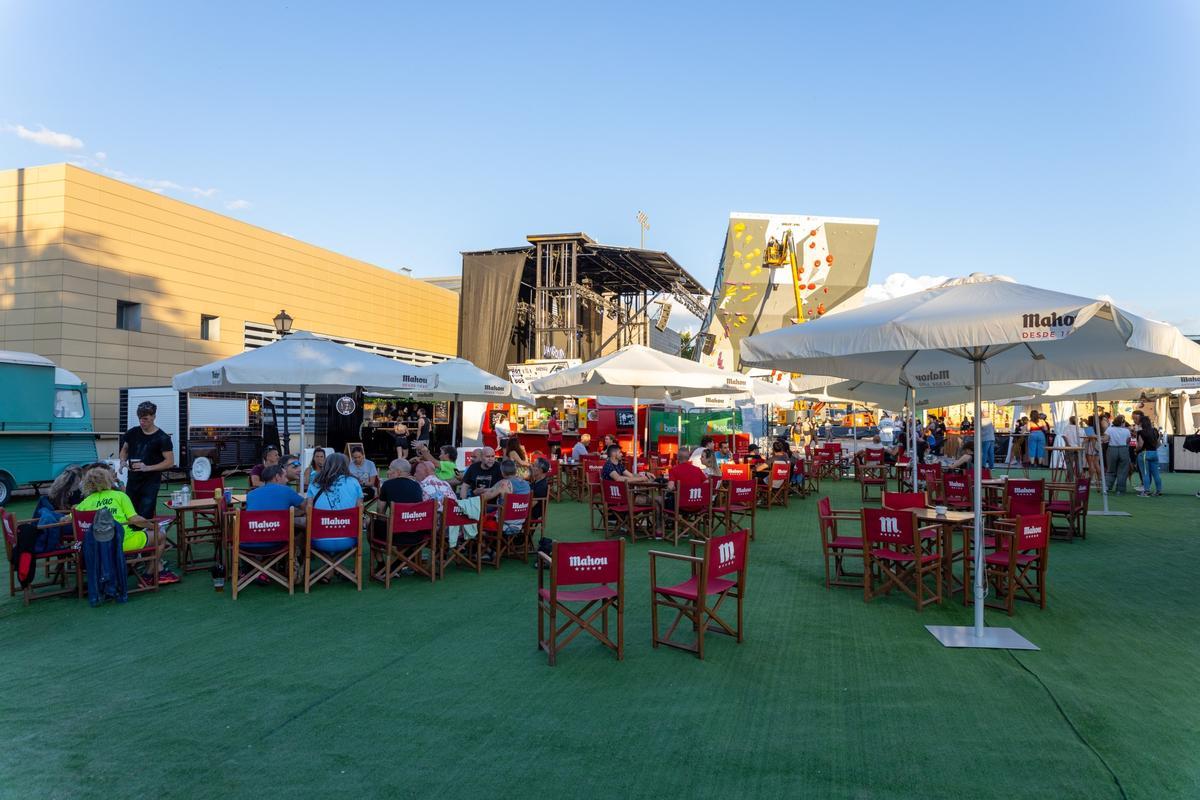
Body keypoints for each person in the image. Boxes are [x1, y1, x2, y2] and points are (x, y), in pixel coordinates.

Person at [76, 465, 178, 583]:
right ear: (108, 480)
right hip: (122, 542)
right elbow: (135, 520)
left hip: (96, 546)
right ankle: (148, 574)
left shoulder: (85, 503)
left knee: (147, 537)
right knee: (159, 535)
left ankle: (156, 570)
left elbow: (67, 520)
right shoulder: (119, 496)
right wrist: (154, 526)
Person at [119, 401, 175, 520]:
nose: (142, 422)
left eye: (145, 419)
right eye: (140, 419)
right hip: (133, 480)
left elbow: (170, 462)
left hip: (150, 482)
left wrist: (147, 467)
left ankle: (145, 537)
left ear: (154, 417)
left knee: (145, 514)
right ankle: (131, 537)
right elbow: (124, 450)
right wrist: (122, 461)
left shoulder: (163, 438)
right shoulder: (133, 432)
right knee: (129, 513)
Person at [245, 464, 307, 529]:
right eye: (285, 476)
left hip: (254, 535)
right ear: (277, 477)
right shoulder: (286, 490)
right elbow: (305, 507)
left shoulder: (251, 494)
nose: (287, 480)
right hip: (279, 535)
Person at [1105, 415, 1133, 495]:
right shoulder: (1126, 431)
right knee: (1123, 470)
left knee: (1110, 469)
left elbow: (1106, 439)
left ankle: (1107, 486)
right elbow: (1128, 441)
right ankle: (1120, 490)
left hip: (1112, 449)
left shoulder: (1109, 429)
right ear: (1122, 423)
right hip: (1123, 449)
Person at [1136, 418, 1163, 497]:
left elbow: (1140, 445)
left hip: (1144, 453)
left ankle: (1146, 491)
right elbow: (1159, 443)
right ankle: (1158, 490)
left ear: (1142, 424)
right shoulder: (1155, 431)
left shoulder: (1141, 432)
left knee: (1145, 473)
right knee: (1156, 474)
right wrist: (1153, 449)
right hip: (1154, 453)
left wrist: (1135, 450)